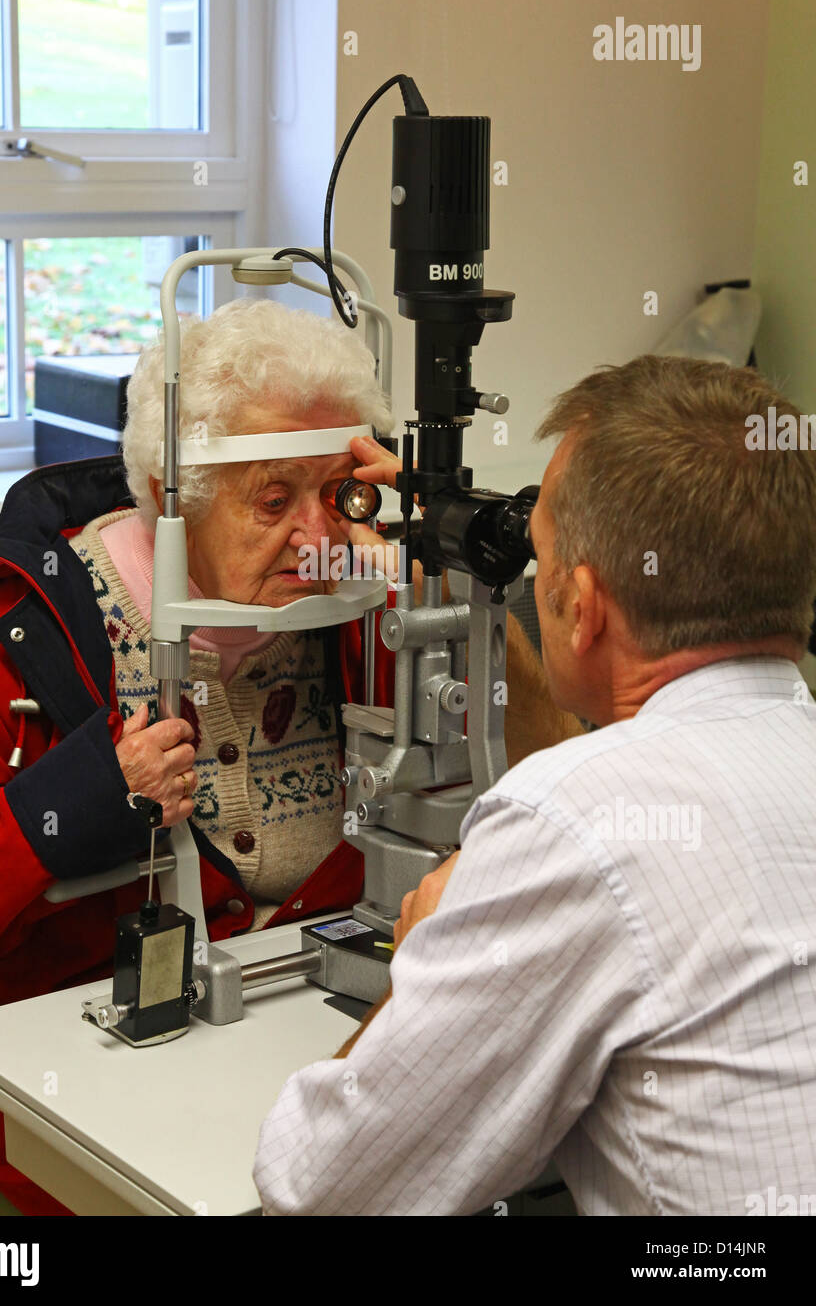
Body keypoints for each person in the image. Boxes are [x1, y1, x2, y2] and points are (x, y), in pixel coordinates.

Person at [0, 297, 570, 1216]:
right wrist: (79, 799)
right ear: (172, 497)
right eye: (273, 500)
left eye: (338, 495)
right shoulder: (8, 643)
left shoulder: (359, 602)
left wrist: (444, 579)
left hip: (311, 1028)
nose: (319, 542)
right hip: (94, 1060)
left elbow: (554, 771)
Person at [253, 354, 816, 1216]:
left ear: (582, 605)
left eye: (537, 550)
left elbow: (325, 1185)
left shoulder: (572, 822)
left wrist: (428, 965)